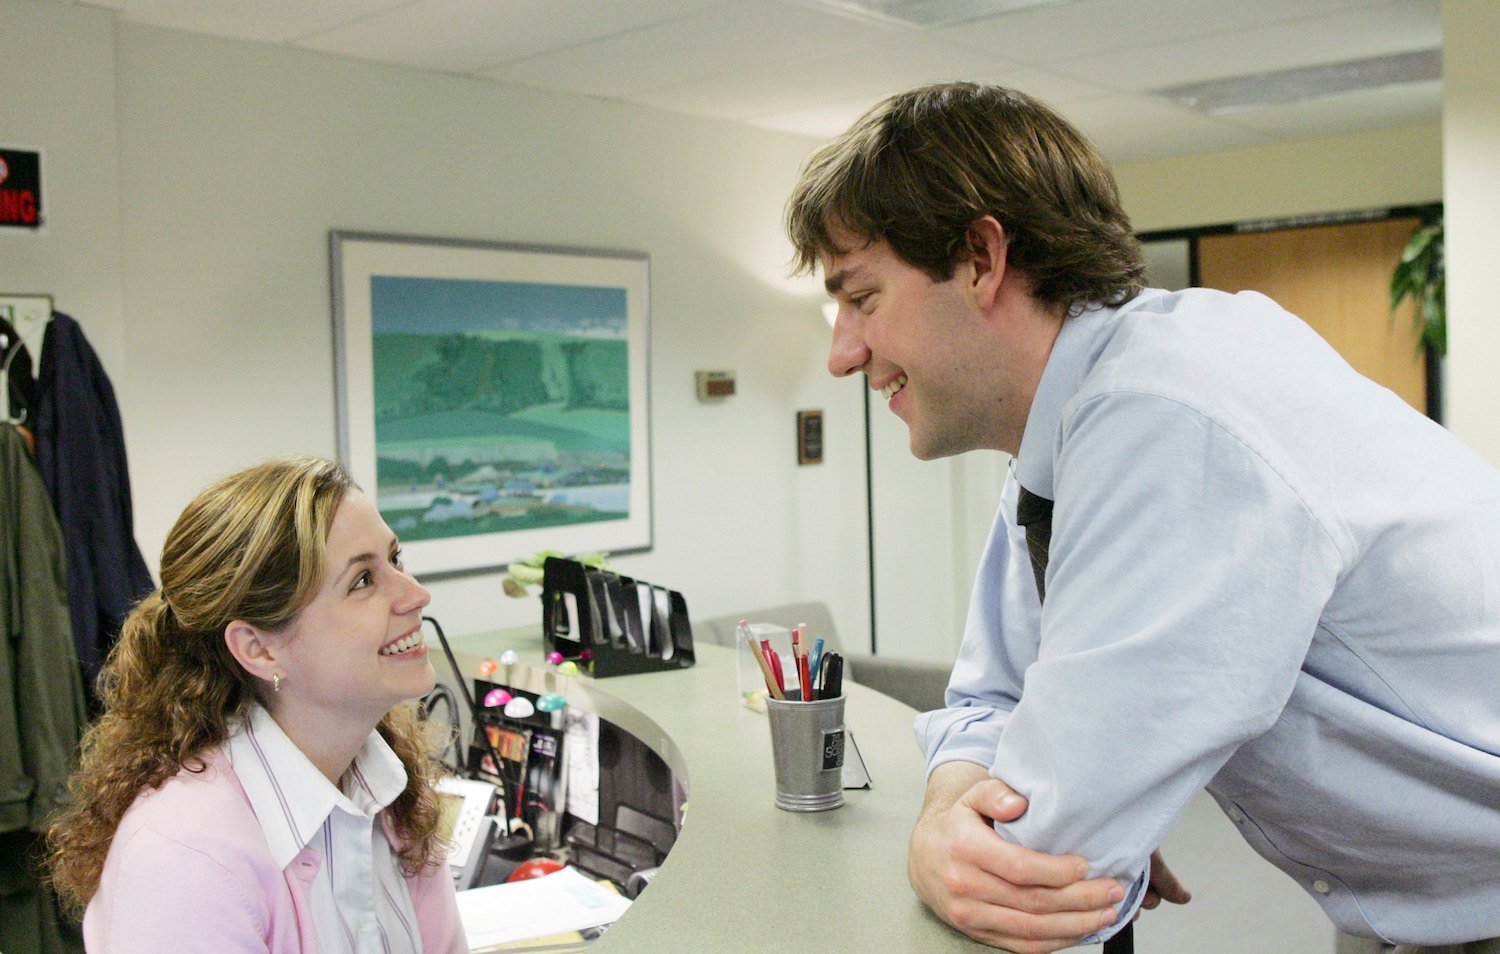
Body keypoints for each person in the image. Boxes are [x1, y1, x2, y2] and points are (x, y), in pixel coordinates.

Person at [785, 81, 1500, 953]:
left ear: (980, 258)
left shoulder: (1167, 417)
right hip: (1426, 899)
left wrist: (959, 845)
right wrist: (944, 815)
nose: (841, 353)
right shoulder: (1073, 427)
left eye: (861, 298)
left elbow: (1047, 855)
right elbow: (987, 697)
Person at [46, 456, 467, 952]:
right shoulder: (186, 857)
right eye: (362, 581)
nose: (415, 594)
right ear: (258, 648)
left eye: (394, 560)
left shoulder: (387, 786)